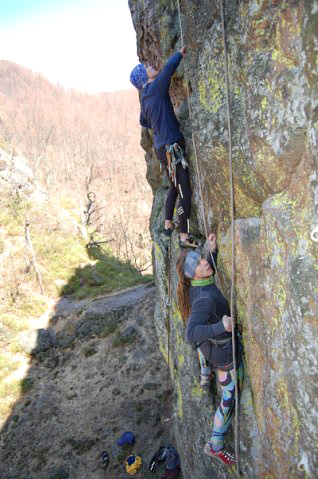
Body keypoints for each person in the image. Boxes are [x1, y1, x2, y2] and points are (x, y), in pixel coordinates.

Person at [176, 233, 244, 466]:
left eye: (201, 258)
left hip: (211, 349)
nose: (203, 261)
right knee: (230, 394)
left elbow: (208, 276)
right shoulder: (203, 298)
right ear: (193, 274)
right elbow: (191, 334)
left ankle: (206, 371)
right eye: (198, 263)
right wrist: (221, 325)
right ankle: (215, 445)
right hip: (224, 354)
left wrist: (211, 251)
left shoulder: (199, 284)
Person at [130, 47, 198, 248]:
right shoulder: (156, 87)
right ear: (145, 76)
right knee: (184, 189)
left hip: (162, 148)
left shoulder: (144, 98)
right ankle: (184, 236)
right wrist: (179, 53)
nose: (150, 65)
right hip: (172, 146)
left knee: (175, 186)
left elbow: (143, 120)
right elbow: (168, 68)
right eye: (146, 67)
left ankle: (168, 223)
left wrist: (160, 123)